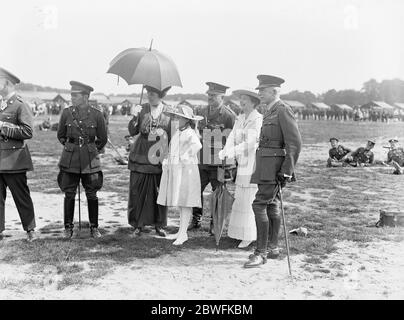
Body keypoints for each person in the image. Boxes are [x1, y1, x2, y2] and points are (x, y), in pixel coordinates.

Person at [244, 75, 302, 268]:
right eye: (259, 90)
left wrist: (286, 171)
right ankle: (273, 248)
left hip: (274, 168)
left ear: (274, 92)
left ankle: (260, 253)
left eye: (263, 90)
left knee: (259, 205)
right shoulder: (270, 111)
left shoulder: (283, 110)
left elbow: (294, 143)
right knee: (271, 205)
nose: (259, 93)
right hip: (266, 166)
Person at [57, 81, 108, 239]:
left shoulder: (97, 114)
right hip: (70, 159)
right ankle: (68, 228)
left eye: (75, 95)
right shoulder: (66, 113)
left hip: (90, 160)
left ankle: (94, 227)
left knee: (92, 194)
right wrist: (71, 147)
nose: (72, 98)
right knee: (69, 193)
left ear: (86, 96)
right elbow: (61, 135)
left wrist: (90, 149)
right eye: (71, 95)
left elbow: (103, 139)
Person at [218, 89, 262, 248]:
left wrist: (232, 151)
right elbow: (232, 136)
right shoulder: (240, 117)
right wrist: (225, 150)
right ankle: (239, 232)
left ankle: (250, 234)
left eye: (245, 99)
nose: (241, 102)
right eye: (240, 99)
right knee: (241, 196)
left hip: (252, 162)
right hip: (242, 161)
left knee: (249, 197)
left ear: (254, 102)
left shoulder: (257, 119)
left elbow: (251, 143)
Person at [190, 82, 236, 233]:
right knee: (196, 190)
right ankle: (196, 219)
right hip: (202, 160)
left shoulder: (229, 116)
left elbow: (233, 139)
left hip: (219, 163)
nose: (210, 97)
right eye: (209, 95)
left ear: (222, 96)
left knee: (218, 193)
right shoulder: (201, 111)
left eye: (213, 96)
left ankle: (215, 224)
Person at [127, 85, 172, 237]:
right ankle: (138, 225)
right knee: (137, 191)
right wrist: (134, 117)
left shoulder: (170, 111)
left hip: (159, 155)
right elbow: (133, 131)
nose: (149, 96)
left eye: (152, 94)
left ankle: (159, 225)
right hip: (140, 154)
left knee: (159, 191)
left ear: (160, 95)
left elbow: (173, 135)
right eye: (148, 93)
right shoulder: (142, 109)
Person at [157, 104, 203, 245]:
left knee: (186, 200)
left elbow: (197, 146)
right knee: (181, 200)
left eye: (179, 117)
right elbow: (174, 148)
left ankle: (183, 234)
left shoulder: (190, 132)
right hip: (178, 169)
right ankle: (181, 230)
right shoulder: (178, 131)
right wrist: (168, 159)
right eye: (175, 117)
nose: (176, 119)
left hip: (187, 169)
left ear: (186, 120)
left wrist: (184, 156)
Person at [0, 67, 36, 242]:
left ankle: (30, 229)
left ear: (6, 83)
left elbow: (28, 131)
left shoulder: (20, 105)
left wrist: (3, 127)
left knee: (21, 196)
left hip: (14, 161)